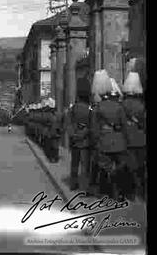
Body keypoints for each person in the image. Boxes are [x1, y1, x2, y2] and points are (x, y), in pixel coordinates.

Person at [91, 70, 130, 200]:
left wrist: (96, 141)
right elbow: (124, 125)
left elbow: (95, 129)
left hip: (104, 141)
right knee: (120, 167)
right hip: (119, 141)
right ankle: (120, 193)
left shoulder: (98, 108)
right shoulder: (119, 107)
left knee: (104, 168)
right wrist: (125, 140)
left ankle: (106, 192)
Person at [63, 78, 92, 192]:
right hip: (85, 141)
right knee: (85, 166)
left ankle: (73, 184)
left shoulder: (73, 108)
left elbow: (67, 123)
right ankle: (84, 187)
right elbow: (91, 125)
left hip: (75, 141)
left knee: (74, 164)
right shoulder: (90, 109)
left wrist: (73, 135)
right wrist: (84, 133)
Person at [122, 72, 146, 200]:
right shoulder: (141, 105)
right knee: (140, 168)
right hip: (141, 140)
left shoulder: (123, 104)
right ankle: (141, 192)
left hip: (127, 140)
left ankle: (130, 193)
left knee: (128, 168)